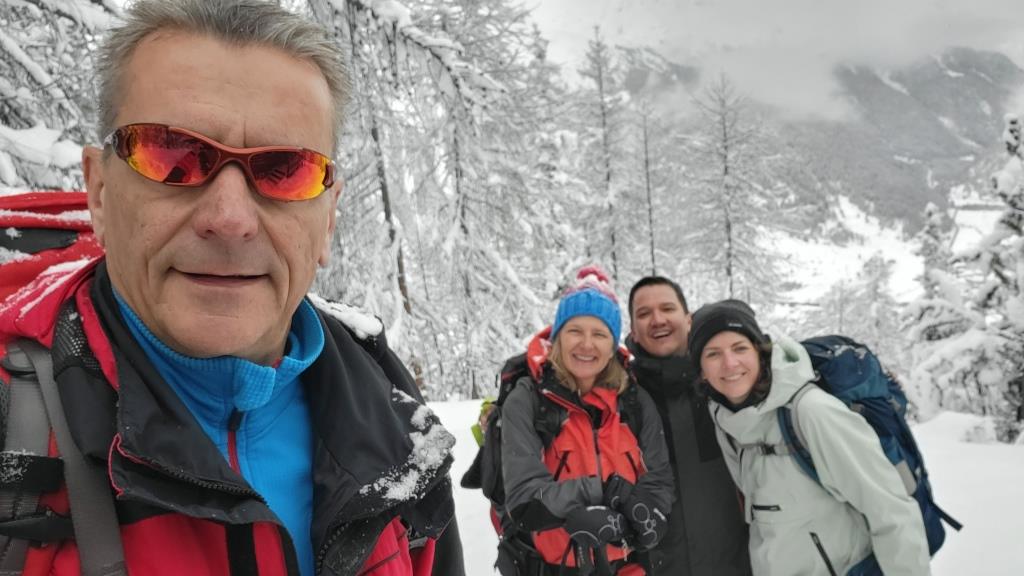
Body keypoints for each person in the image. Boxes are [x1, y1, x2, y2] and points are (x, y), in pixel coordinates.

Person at [0, 1, 463, 575]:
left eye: (284, 169)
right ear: (99, 192)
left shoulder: (389, 417)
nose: (230, 219)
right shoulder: (14, 417)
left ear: (328, 218)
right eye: (172, 156)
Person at [688, 300, 931, 576]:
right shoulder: (725, 422)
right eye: (713, 354)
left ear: (759, 351)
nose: (730, 363)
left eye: (740, 348)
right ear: (701, 370)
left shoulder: (811, 412)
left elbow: (890, 511)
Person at [500, 266, 674, 576]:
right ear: (558, 337)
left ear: (613, 345)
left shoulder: (634, 402)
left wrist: (641, 516)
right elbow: (524, 501)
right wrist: (604, 492)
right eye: (575, 331)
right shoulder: (528, 400)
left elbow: (659, 479)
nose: (586, 344)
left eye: (599, 334)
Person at [625, 277, 751, 576]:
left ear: (688, 319)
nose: (658, 320)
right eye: (644, 313)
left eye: (667, 308)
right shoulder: (621, 400)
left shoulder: (728, 384)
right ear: (633, 330)